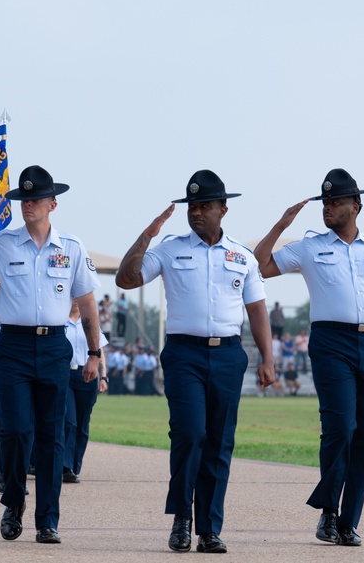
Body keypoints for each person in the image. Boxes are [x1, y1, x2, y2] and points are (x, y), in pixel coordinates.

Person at [116, 169, 274, 554]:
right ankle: (182, 518)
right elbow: (126, 279)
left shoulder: (242, 257)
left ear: (223, 209)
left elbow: (257, 309)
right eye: (192, 206)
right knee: (189, 434)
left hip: (228, 354)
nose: (196, 212)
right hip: (184, 353)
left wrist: (267, 358)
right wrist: (146, 236)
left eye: (204, 206)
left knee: (219, 442)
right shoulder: (170, 248)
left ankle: (210, 528)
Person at [254, 168, 364, 547]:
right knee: (341, 429)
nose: (328, 208)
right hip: (331, 343)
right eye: (325, 202)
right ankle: (328, 511)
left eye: (336, 201)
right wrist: (280, 225)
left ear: (355, 206)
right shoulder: (309, 247)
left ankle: (348, 521)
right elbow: (258, 267)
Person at [0, 164, 101, 544]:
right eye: (23, 199)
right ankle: (14, 501)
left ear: (52, 204)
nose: (27, 205)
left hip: (53, 346)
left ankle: (47, 519)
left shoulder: (73, 248)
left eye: (35, 199)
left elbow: (87, 302)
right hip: (13, 347)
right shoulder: (1, 244)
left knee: (52, 436)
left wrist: (95, 352)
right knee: (15, 429)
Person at [62, 296, 108, 483]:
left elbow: (99, 351)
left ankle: (74, 466)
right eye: (71, 296)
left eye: (77, 297)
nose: (74, 300)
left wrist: (103, 376)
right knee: (69, 421)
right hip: (64, 374)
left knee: (82, 424)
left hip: (87, 374)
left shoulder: (90, 323)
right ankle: (65, 466)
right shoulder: (60, 321)